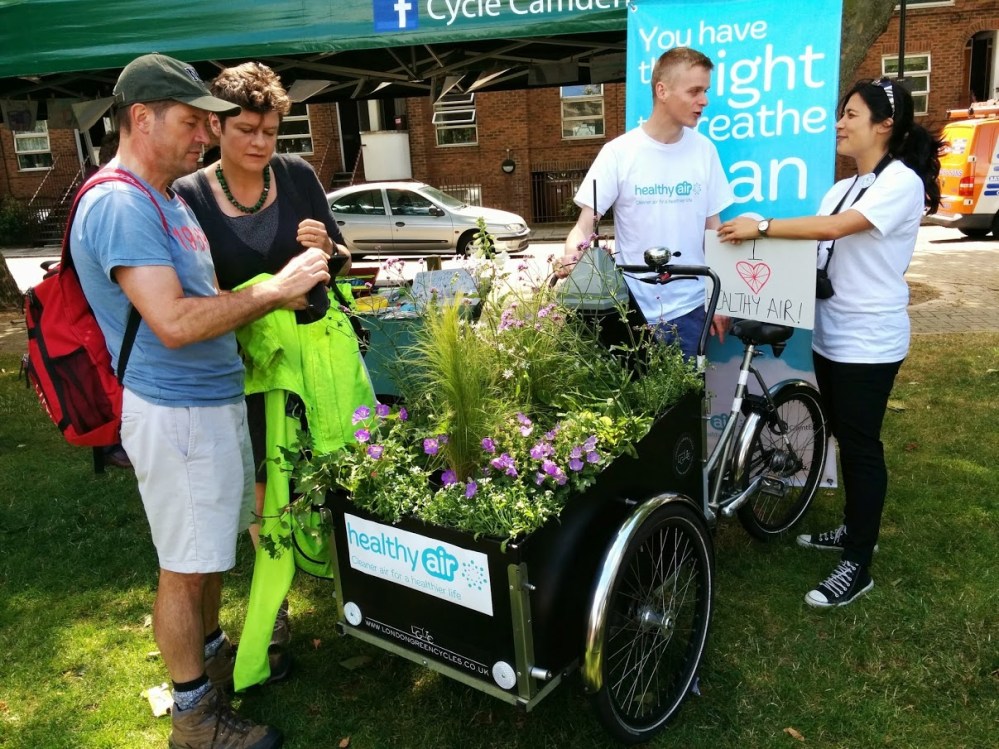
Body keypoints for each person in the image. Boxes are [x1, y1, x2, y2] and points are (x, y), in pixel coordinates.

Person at [72, 53, 332, 748]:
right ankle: (193, 717)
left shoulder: (160, 197)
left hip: (210, 404)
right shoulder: (122, 202)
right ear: (140, 118)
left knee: (209, 555)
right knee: (184, 569)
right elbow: (177, 322)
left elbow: (205, 300)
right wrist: (275, 288)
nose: (201, 138)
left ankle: (213, 668)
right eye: (191, 122)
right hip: (175, 410)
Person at [174, 61, 375, 690]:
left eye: (271, 131)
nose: (261, 144)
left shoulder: (297, 176)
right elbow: (195, 292)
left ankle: (357, 586)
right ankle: (276, 608)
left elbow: (340, 259)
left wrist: (327, 248)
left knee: (337, 471)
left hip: (317, 359)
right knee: (266, 488)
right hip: (249, 370)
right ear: (217, 126)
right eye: (247, 130)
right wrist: (261, 295)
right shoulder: (190, 196)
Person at [717, 78, 942, 608]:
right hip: (833, 335)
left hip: (871, 340)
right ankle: (851, 528)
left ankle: (858, 561)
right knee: (842, 434)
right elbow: (816, 254)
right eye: (841, 114)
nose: (840, 123)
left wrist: (763, 226)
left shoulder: (900, 183)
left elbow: (836, 230)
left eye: (852, 114)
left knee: (862, 447)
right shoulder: (841, 186)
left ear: (885, 124)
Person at [556, 47, 733, 359]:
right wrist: (572, 258)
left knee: (685, 407)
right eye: (694, 91)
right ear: (661, 90)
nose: (704, 100)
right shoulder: (619, 153)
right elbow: (584, 227)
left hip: (690, 311)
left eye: (705, 91)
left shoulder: (705, 152)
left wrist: (721, 302)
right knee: (630, 407)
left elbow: (713, 231)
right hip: (628, 312)